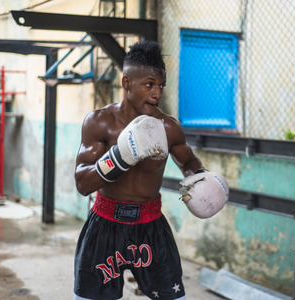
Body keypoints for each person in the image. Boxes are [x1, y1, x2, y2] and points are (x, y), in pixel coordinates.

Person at [73, 40, 228, 300]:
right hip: (106, 223)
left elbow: (191, 165)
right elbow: (82, 183)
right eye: (149, 85)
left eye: (160, 86)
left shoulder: (169, 128)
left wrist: (202, 182)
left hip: (150, 225)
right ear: (126, 83)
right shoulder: (100, 122)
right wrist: (119, 157)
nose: (157, 94)